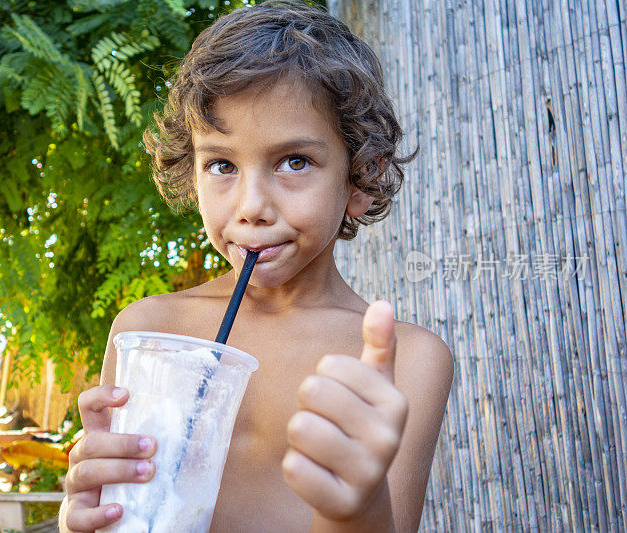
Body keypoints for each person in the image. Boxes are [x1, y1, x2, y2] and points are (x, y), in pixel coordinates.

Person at [60, 1, 454, 531]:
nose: (251, 205)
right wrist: (82, 517)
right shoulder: (147, 332)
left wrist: (357, 509)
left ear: (359, 177)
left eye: (295, 161)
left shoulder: (406, 361)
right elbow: (123, 511)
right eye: (221, 164)